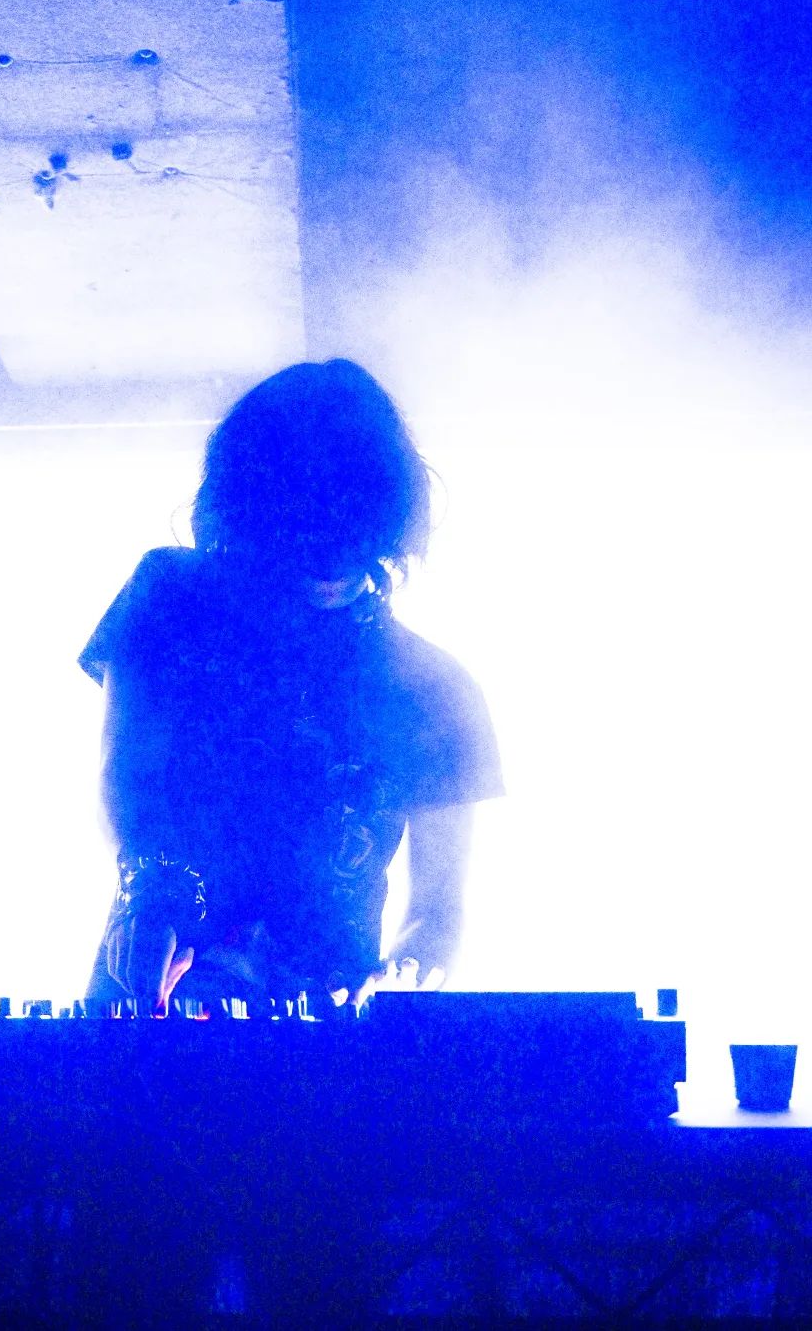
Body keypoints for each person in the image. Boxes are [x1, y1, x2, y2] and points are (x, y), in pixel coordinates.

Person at [79, 359, 502, 1013]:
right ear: (255, 511)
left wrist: (401, 982)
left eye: (351, 532)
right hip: (149, 1005)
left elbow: (438, 914)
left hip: (325, 1032)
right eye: (305, 529)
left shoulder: (439, 692)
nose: (330, 560)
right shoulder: (170, 597)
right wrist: (152, 894)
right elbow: (125, 773)